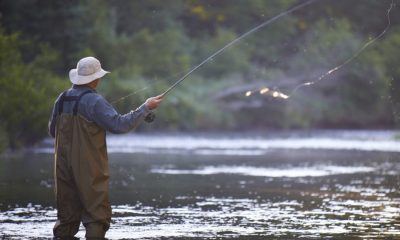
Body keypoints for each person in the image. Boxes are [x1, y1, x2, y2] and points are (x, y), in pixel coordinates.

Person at [48, 56, 163, 239]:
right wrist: (145, 107)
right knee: (96, 217)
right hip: (89, 168)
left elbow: (53, 131)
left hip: (62, 167)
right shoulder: (95, 101)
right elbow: (119, 125)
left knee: (66, 219)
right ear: (95, 79)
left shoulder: (61, 99)